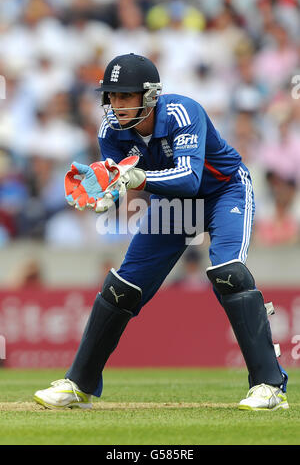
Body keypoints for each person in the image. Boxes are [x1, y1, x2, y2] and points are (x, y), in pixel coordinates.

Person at [34, 53, 288, 411]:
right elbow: (118, 181)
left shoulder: (183, 113)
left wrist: (135, 178)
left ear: (150, 95)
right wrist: (106, 194)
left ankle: (269, 386)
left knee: (229, 273)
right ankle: (79, 385)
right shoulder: (110, 131)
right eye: (112, 97)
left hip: (223, 190)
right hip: (176, 204)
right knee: (122, 289)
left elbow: (189, 178)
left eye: (125, 96)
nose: (116, 105)